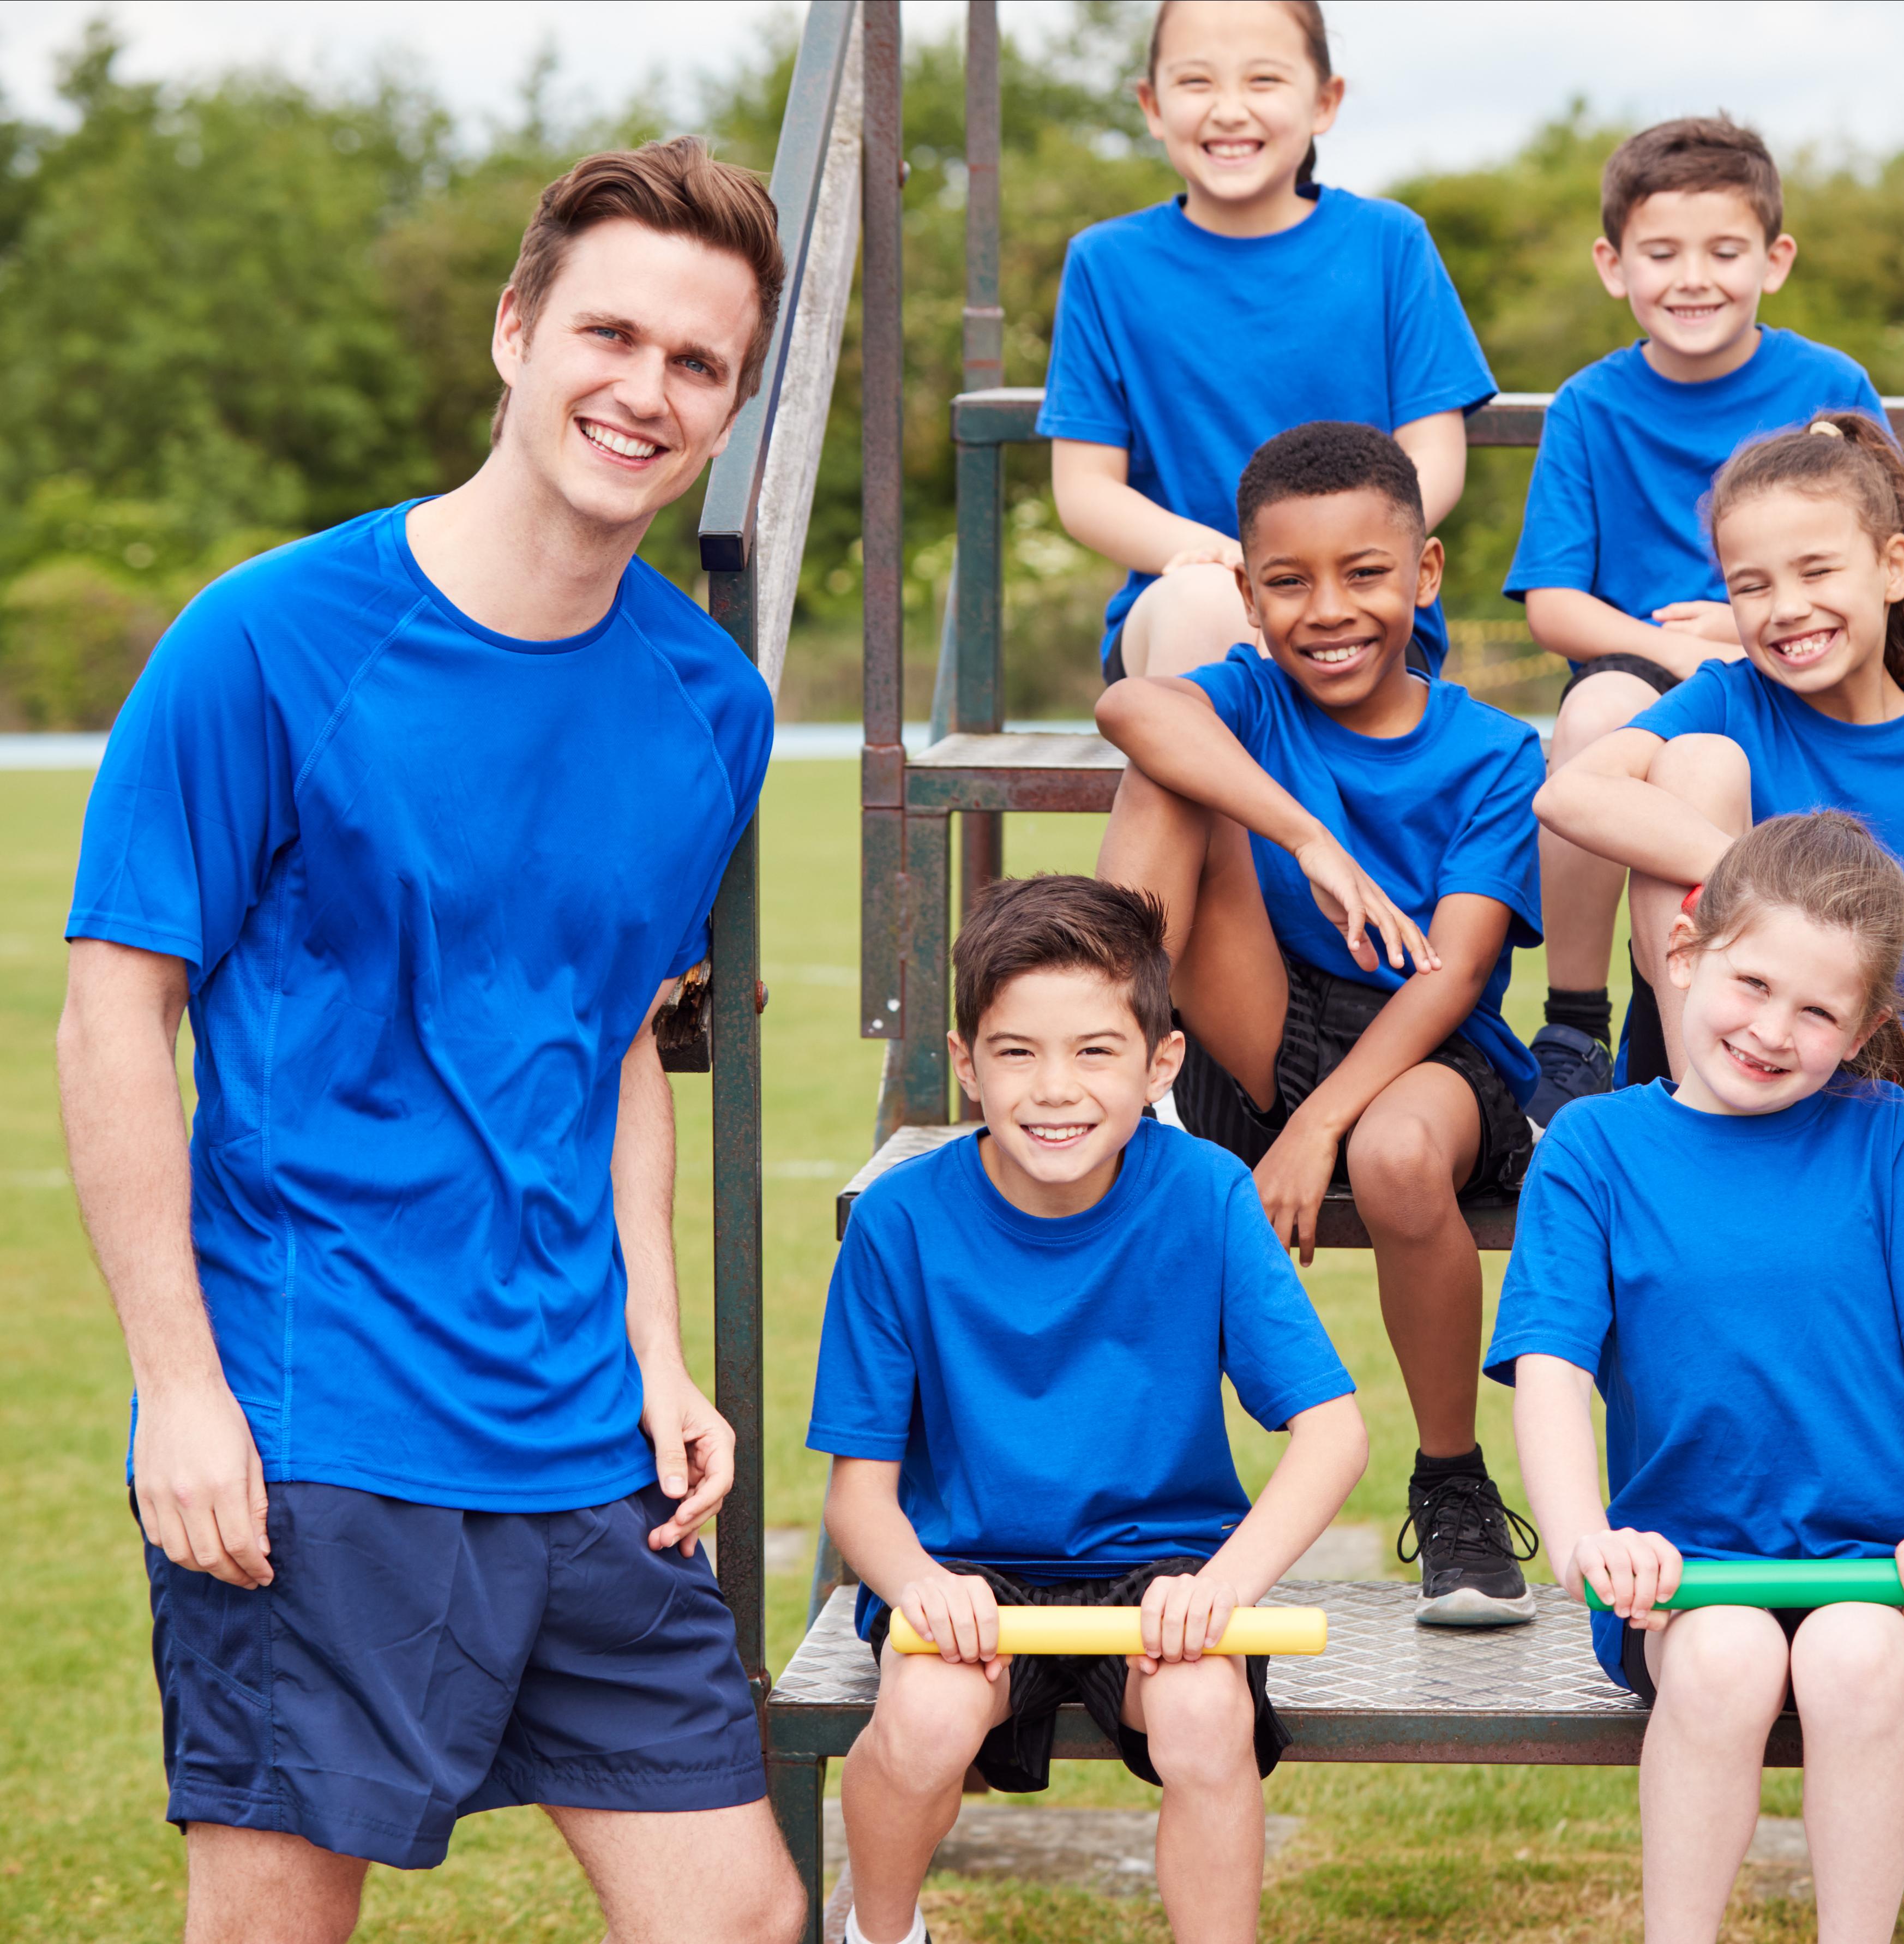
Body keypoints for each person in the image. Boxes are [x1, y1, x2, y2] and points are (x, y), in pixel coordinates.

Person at [55, 141, 801, 1944]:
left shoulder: (713, 703)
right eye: (608, 332)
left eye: (698, 363)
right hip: (326, 1421)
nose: (643, 389)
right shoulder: (268, 642)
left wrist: (660, 1352)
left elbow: (611, 1033)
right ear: (514, 328)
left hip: (582, 1443)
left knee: (741, 1910)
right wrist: (181, 1388)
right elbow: (113, 1009)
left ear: (731, 403)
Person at [1490, 811, 1904, 1944]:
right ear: (1683, 951)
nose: (1772, 1031)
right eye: (1751, 984)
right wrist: (1588, 1539)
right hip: (1679, 1574)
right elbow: (1547, 1368)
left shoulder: (1883, 1140)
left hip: (1887, 1576)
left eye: (1818, 1011)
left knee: (1849, 1653)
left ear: (1866, 1025)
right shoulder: (1591, 1149)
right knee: (1728, 1655)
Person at [813, 873, 1366, 1944]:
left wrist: (1222, 1588)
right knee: (923, 1717)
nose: (1053, 1089)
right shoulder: (899, 1222)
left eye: (1094, 1052)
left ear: (1160, 1064)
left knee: (1204, 1715)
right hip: (965, 1568)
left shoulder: (1204, 1192)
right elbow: (858, 1502)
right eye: (1016, 1053)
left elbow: (1333, 1433)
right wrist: (922, 1589)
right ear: (966, 1063)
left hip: (1164, 1564)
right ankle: (881, 1933)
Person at [1094, 419, 1547, 1626]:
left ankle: (1451, 1487)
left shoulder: (1497, 750)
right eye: (1286, 583)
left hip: (1424, 1051)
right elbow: (1133, 708)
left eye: (1365, 575)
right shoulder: (1245, 698)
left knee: (1396, 1157)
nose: (1328, 610)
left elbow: (1452, 975)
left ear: (1427, 576)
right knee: (1174, 765)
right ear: (1244, 593)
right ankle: (1102, 1066)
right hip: (1260, 1025)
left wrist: (1317, 1130)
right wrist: (1308, 837)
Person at [1536, 412, 1904, 1178]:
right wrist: (1766, 882)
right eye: (1751, 586)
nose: (1784, 608)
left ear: (1893, 569)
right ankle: (1708, 1146)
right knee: (1694, 767)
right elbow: (1569, 795)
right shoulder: (1728, 698)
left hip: (1876, 1093)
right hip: (1705, 1059)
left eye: (1815, 572)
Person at [1506, 116, 1890, 1124]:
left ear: (1773, 259)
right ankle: (1577, 1023)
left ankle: (1793, 1021)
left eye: (1723, 252)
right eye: (1660, 253)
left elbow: (1887, 562)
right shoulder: (1591, 405)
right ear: (1610, 264)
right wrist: (1677, 644)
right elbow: (1552, 602)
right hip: (1642, 671)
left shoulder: (1827, 388)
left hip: (1791, 665)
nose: (1692, 277)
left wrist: (1742, 622)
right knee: (1595, 725)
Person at [1041, 0, 1494, 684]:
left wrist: (1324, 567)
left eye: (1263, 81)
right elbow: (1084, 490)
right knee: (1202, 607)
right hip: (1182, 601)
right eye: (1196, 82)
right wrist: (1230, 564)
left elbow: (1434, 456)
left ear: (1324, 101)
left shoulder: (1389, 244)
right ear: (1151, 105)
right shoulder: (1106, 264)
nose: (1228, 110)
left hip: (1364, 612)